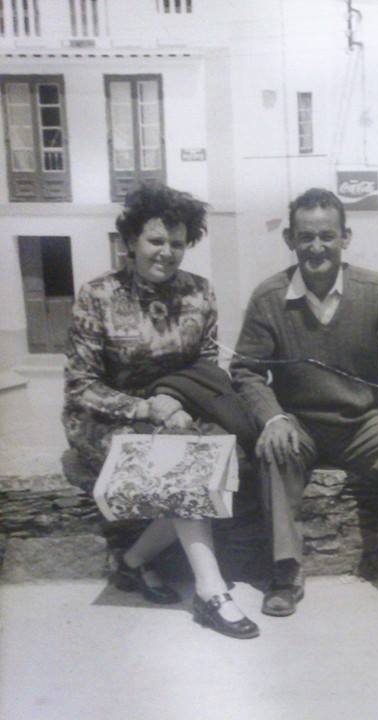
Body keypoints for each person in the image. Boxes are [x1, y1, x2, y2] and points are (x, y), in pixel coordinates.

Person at [62, 183, 259, 640]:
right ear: (131, 240)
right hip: (105, 419)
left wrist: (174, 402)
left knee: (224, 457)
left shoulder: (200, 293)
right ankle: (211, 592)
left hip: (176, 414)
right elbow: (81, 387)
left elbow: (206, 369)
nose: (166, 252)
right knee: (184, 462)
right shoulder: (97, 296)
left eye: (177, 242)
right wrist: (148, 407)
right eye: (156, 240)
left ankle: (132, 560)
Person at [230, 188, 378, 617]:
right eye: (306, 237)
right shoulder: (269, 297)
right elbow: (246, 370)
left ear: (345, 237)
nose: (317, 247)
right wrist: (272, 418)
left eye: (327, 236)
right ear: (290, 239)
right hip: (299, 424)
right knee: (272, 451)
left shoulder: (375, 290)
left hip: (362, 424)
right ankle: (285, 571)